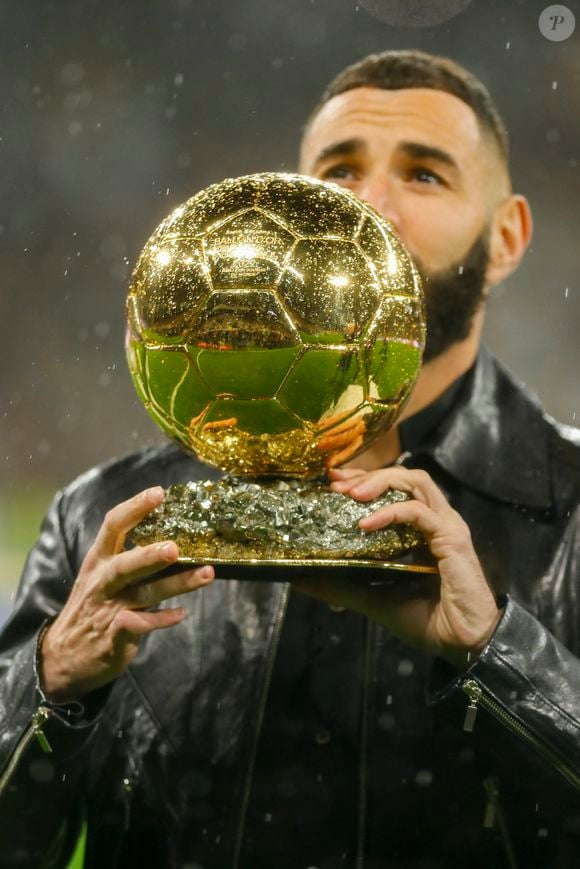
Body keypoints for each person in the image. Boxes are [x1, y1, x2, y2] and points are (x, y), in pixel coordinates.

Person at [1, 49, 580, 869]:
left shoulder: (573, 509)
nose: (371, 204)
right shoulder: (108, 513)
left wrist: (497, 653)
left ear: (508, 235)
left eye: (424, 176)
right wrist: (51, 682)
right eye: (338, 171)